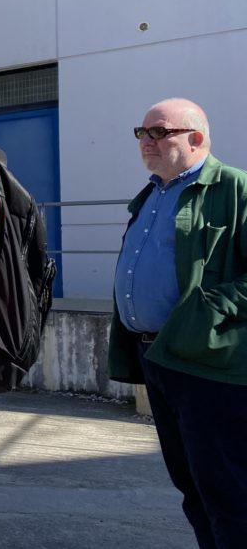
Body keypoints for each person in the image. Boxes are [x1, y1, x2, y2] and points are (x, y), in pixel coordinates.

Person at [107, 98, 247, 549]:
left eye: (159, 132)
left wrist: (208, 311)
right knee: (191, 487)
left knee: (228, 491)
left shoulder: (234, 189)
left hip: (209, 363)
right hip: (157, 357)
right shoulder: (153, 193)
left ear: (196, 138)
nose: (146, 141)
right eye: (141, 133)